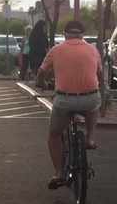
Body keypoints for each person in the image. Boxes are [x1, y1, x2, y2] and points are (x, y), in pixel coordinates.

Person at [37, 20, 102, 190]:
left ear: (65, 34)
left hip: (65, 100)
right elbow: (100, 74)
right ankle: (90, 137)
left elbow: (41, 72)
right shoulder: (93, 49)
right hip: (90, 98)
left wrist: (41, 84)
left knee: (54, 135)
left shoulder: (56, 50)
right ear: (82, 35)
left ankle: (59, 173)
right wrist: (100, 88)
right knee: (95, 104)